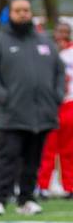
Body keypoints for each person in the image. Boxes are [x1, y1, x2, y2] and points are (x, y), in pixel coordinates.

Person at [0, 0, 65, 217]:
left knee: (33, 159)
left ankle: (26, 198)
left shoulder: (43, 41)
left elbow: (59, 71)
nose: (23, 14)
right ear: (11, 14)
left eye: (26, 10)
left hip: (40, 113)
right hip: (12, 113)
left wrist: (56, 95)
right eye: (18, 11)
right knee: (8, 157)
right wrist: (2, 96)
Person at [37, 20, 73, 198]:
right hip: (50, 104)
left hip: (69, 103)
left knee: (69, 149)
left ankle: (69, 186)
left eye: (66, 32)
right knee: (48, 147)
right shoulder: (47, 52)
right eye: (59, 32)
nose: (62, 36)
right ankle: (44, 186)